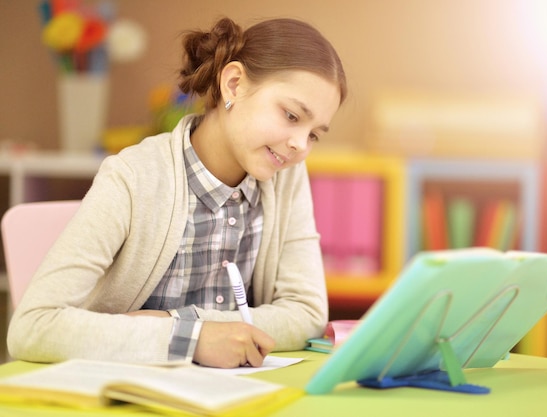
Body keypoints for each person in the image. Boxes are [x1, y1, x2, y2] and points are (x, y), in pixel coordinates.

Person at [7, 16, 347, 368]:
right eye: (292, 116)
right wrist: (192, 341)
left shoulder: (285, 177)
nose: (299, 145)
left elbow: (306, 314)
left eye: (314, 135)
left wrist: (181, 324)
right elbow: (32, 326)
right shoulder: (132, 177)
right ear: (233, 84)